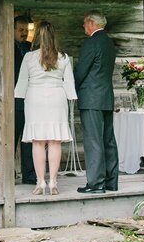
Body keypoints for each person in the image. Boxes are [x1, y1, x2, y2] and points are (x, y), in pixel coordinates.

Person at [14, 19, 77, 195]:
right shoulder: (63, 57)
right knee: (55, 141)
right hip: (57, 98)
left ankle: (40, 182)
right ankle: (53, 182)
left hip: (35, 98)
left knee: (38, 141)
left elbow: (22, 83)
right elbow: (69, 83)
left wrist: (19, 97)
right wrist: (71, 97)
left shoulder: (29, 56)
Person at [74, 10, 118, 194]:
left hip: (91, 99)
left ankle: (96, 183)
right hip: (106, 97)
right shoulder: (109, 43)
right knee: (108, 140)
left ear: (92, 23)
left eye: (85, 23)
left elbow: (81, 71)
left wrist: (71, 89)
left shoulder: (91, 42)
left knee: (93, 141)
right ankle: (111, 181)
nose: (83, 26)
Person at [14, 16, 36, 184]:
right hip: (12, 101)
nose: (24, 33)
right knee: (11, 138)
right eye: (20, 30)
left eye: (26, 30)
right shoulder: (5, 48)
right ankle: (7, 174)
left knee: (29, 139)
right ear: (13, 30)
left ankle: (29, 175)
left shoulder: (31, 49)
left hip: (30, 100)